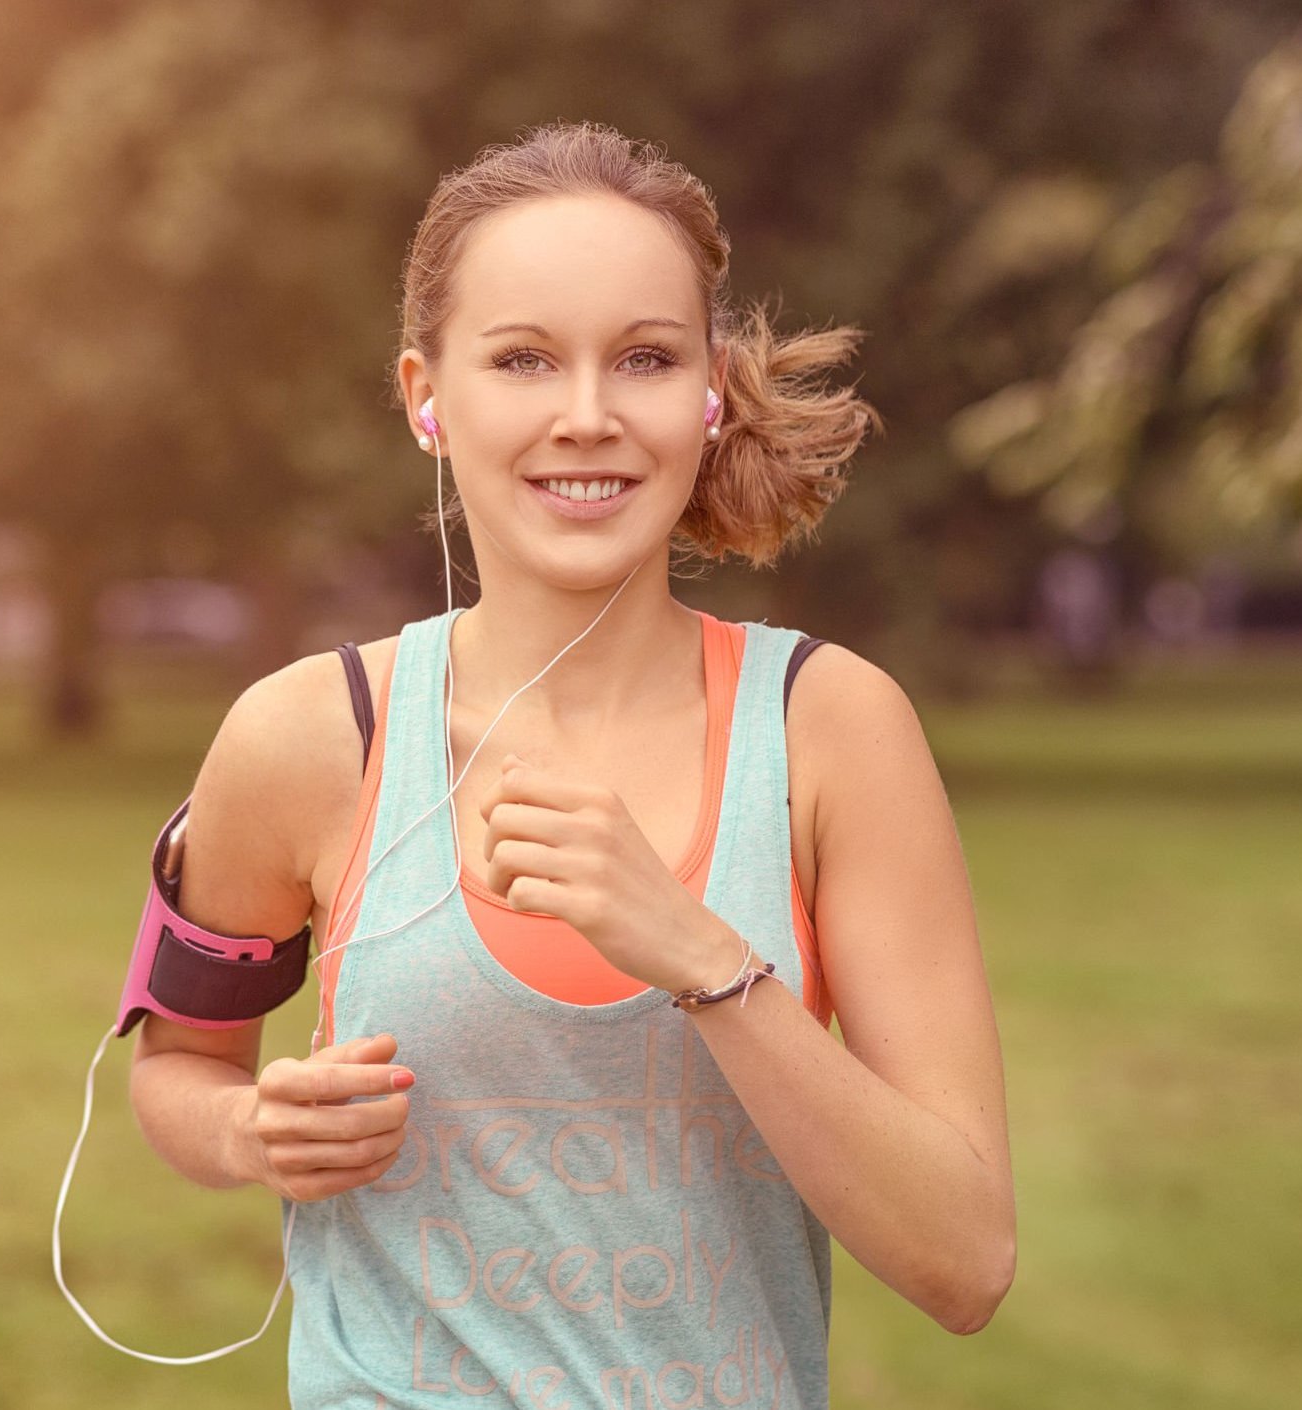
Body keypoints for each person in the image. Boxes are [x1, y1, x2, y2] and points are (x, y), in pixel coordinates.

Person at [124, 120, 1013, 1406]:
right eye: (524, 359)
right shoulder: (307, 735)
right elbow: (179, 1068)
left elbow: (963, 1260)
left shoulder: (829, 730)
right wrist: (250, 1131)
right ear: (428, 397)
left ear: (708, 393)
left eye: (644, 359)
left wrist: (702, 957)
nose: (586, 418)